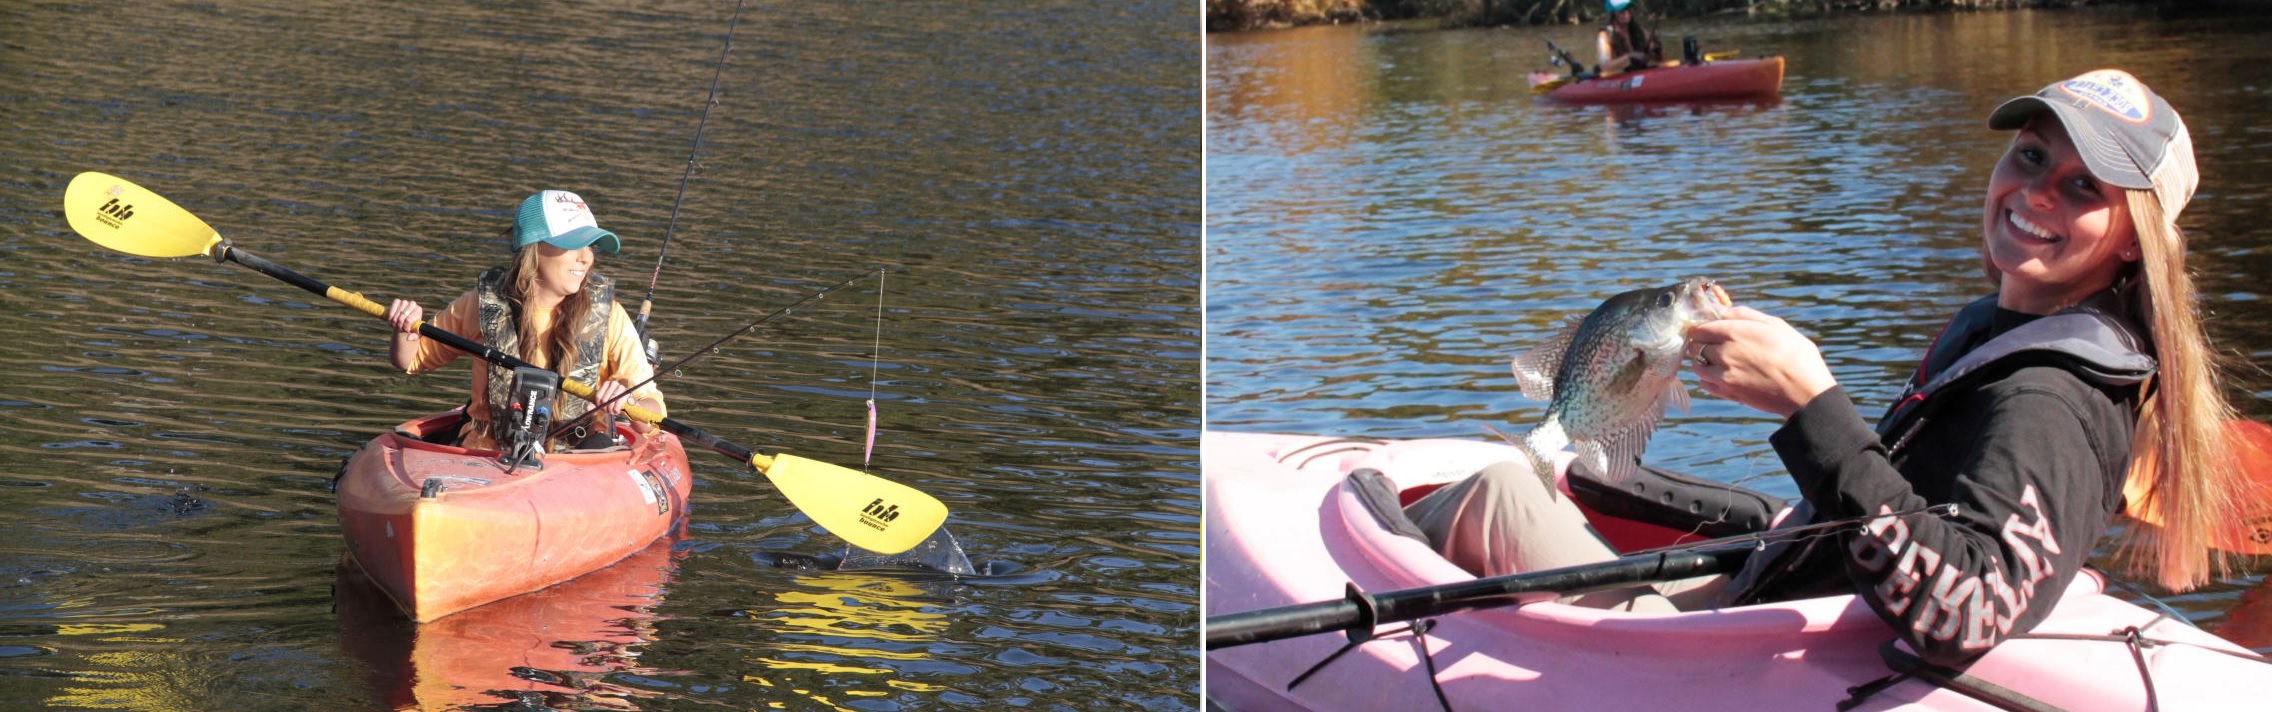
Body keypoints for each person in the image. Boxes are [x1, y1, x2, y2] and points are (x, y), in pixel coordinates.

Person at [1407, 69, 2245, 666]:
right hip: (1778, 607)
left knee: (1499, 490)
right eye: (2030, 157)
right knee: (1521, 482)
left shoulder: (2050, 398)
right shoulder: (2004, 334)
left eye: (2082, 187)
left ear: (2135, 236)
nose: (2035, 195)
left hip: (1742, 664)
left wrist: (1809, 406)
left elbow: (1972, 607)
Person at [385, 190, 667, 453]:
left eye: (590, 246)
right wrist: (405, 329)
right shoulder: (482, 304)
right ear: (534, 247)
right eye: (573, 245)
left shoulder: (611, 317)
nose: (586, 258)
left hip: (575, 463)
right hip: (485, 455)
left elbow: (653, 412)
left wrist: (629, 403)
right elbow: (411, 360)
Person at [1596, 0, 1663, 76]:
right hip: (1618, 78)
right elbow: (1605, 67)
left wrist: (1655, 51)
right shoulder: (1604, 36)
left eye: (1628, 8)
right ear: (1613, 13)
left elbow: (1658, 59)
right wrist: (1630, 56)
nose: (1626, 13)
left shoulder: (1640, 31)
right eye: (1621, 10)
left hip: (1639, 75)